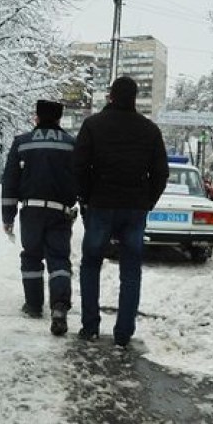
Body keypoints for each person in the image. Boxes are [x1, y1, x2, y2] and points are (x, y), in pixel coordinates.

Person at [74, 76, 169, 347]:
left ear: (111, 97)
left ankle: (90, 326)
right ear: (135, 98)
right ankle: (124, 332)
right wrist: (146, 201)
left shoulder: (93, 125)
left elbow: (79, 166)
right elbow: (160, 173)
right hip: (134, 209)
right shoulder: (150, 130)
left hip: (100, 204)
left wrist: (85, 198)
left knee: (91, 264)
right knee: (131, 270)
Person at [2, 99, 78, 337]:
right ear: (58, 119)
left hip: (31, 211)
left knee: (32, 257)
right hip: (60, 211)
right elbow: (80, 178)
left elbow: (10, 182)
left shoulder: (21, 143)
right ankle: (59, 307)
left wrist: (8, 216)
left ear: (36, 117)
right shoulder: (72, 144)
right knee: (59, 260)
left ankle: (34, 305)